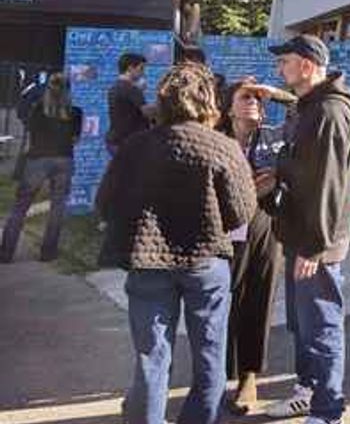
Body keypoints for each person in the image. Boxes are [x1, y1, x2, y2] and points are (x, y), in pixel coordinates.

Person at [95, 63, 257, 424]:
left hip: (149, 262)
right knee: (209, 355)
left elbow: (105, 201)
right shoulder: (223, 147)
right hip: (206, 262)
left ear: (163, 102)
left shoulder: (136, 146)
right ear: (209, 101)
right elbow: (243, 211)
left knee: (151, 357)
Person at [265, 35, 350, 424]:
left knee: (321, 327)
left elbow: (329, 185)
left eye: (284, 62)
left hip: (315, 242)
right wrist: (279, 172)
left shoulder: (329, 113)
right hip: (300, 234)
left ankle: (327, 410)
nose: (279, 70)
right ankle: (308, 391)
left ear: (306, 65)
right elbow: (303, 167)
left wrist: (314, 247)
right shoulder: (309, 106)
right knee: (302, 325)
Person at [219, 78, 294, 414]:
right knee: (221, 301)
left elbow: (304, 113)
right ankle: (216, 374)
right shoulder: (217, 139)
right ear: (228, 105)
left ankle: (249, 376)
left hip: (265, 224)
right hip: (221, 228)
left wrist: (276, 94)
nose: (253, 101)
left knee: (259, 298)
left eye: (257, 99)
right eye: (245, 96)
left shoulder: (275, 138)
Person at [1, 73, 83, 263]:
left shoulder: (37, 109)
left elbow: (29, 129)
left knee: (20, 207)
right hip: (64, 159)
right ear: (69, 90)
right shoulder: (76, 112)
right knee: (57, 207)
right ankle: (48, 253)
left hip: (38, 158)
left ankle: (6, 253)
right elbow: (75, 139)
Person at [106, 52, 153, 155]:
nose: (143, 73)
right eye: (141, 69)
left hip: (116, 140)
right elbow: (147, 112)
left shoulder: (115, 87)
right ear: (131, 68)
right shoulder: (131, 89)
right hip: (129, 142)